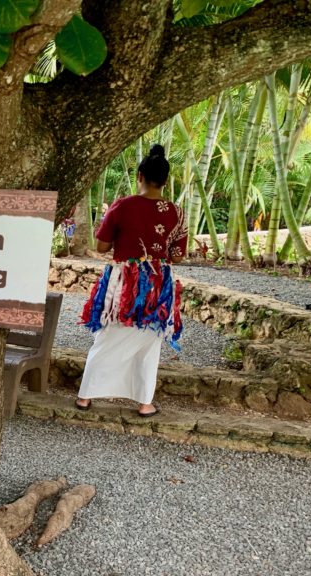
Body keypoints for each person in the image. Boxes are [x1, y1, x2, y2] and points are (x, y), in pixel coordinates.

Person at [76, 144, 186, 417]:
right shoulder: (177, 212)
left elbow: (101, 247)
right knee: (150, 340)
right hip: (159, 284)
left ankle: (86, 396)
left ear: (140, 175)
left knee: (110, 334)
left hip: (125, 282)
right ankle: (144, 402)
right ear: (166, 180)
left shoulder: (122, 206)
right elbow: (177, 255)